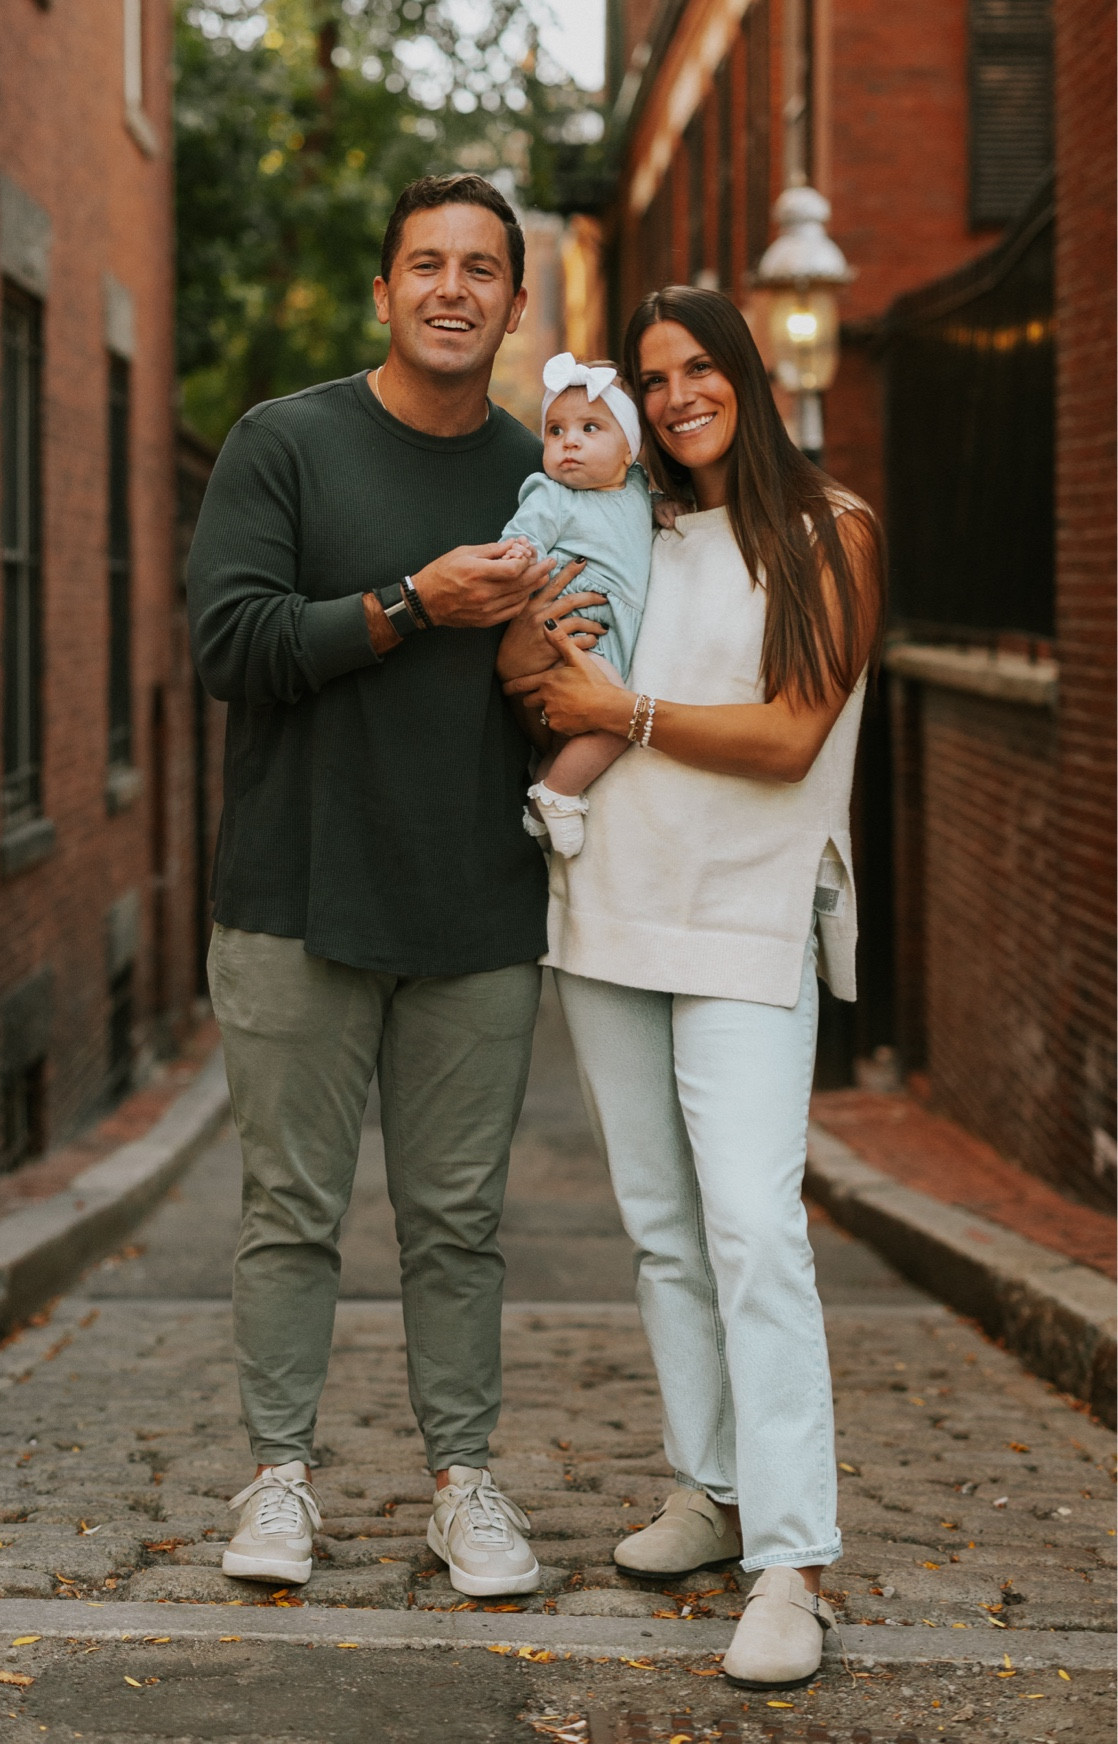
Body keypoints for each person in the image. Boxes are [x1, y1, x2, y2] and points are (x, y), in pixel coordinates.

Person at [186, 172, 605, 1601]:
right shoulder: (285, 443)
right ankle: (277, 1478)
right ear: (382, 292)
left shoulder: (548, 481)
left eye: (479, 268)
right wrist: (413, 603)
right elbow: (230, 645)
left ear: (514, 302)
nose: (450, 289)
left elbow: (572, 681)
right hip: (293, 896)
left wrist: (553, 657)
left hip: (475, 902)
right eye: (424, 263)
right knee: (289, 1210)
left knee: (459, 1224)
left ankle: (461, 1482)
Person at [499, 286, 884, 1686]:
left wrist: (625, 711)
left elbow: (789, 736)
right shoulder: (626, 522)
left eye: (696, 367)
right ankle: (709, 1490)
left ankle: (793, 1562)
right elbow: (536, 680)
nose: (674, 397)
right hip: (608, 906)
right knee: (662, 1228)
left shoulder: (830, 530)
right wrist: (538, 659)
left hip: (744, 917)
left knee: (752, 1228)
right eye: (651, 378)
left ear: (743, 372)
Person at [500, 354, 654, 858]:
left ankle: (539, 796)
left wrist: (666, 507)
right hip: (574, 630)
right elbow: (524, 533)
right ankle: (559, 794)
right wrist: (520, 552)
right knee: (619, 719)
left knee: (585, 728)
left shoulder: (637, 488)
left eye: (590, 428)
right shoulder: (552, 496)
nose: (569, 441)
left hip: (609, 630)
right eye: (555, 430)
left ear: (629, 449)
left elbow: (644, 516)